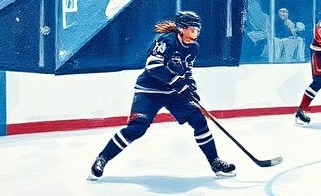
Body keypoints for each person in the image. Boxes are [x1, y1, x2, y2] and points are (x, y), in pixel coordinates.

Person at [87, 12, 235, 180]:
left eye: (197, 30)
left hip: (172, 93)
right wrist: (179, 83)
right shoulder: (167, 40)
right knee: (137, 128)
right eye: (191, 30)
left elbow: (186, 71)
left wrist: (191, 88)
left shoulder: (193, 48)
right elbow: (153, 66)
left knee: (199, 120)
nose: (195, 33)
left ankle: (214, 162)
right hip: (149, 91)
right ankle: (102, 158)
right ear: (181, 29)